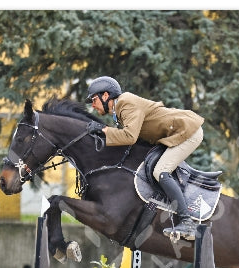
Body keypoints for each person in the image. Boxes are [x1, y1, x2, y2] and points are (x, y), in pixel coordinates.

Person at [85, 76, 204, 240]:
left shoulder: (125, 103)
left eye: (94, 99)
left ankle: (187, 222)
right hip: (175, 133)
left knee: (161, 171)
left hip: (187, 132)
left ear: (105, 96)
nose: (92, 105)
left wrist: (104, 130)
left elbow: (129, 137)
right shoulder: (120, 109)